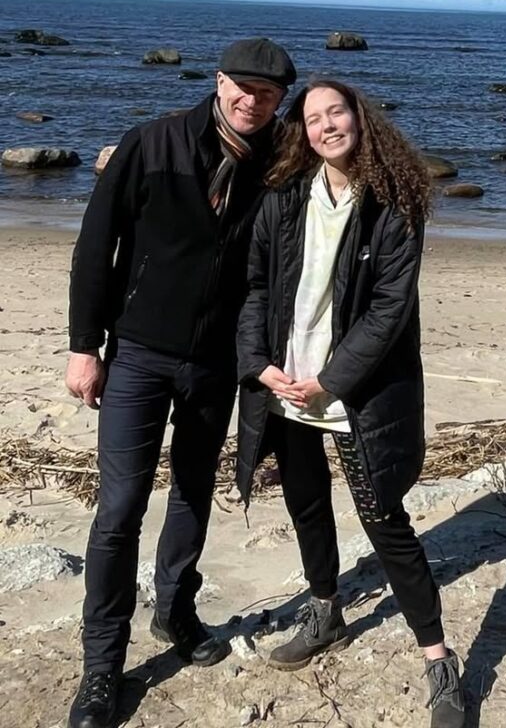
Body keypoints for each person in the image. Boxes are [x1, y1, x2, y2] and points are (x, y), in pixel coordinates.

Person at [65, 37, 296, 728]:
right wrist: (84, 346)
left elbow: (347, 162)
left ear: (281, 99)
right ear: (219, 80)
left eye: (268, 93)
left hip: (217, 362)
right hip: (137, 352)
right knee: (121, 507)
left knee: (194, 489)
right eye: (242, 87)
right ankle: (102, 664)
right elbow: (94, 246)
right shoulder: (152, 143)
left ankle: (175, 609)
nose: (251, 102)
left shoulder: (283, 161)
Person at [235, 79, 465, 728]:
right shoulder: (284, 196)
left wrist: (331, 381)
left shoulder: (393, 202)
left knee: (384, 522)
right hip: (286, 387)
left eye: (336, 111)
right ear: (301, 132)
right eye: (312, 118)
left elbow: (390, 309)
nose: (325, 125)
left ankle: (437, 657)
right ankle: (325, 609)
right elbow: (254, 285)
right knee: (306, 506)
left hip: (352, 395)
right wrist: (258, 364)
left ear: (361, 119)